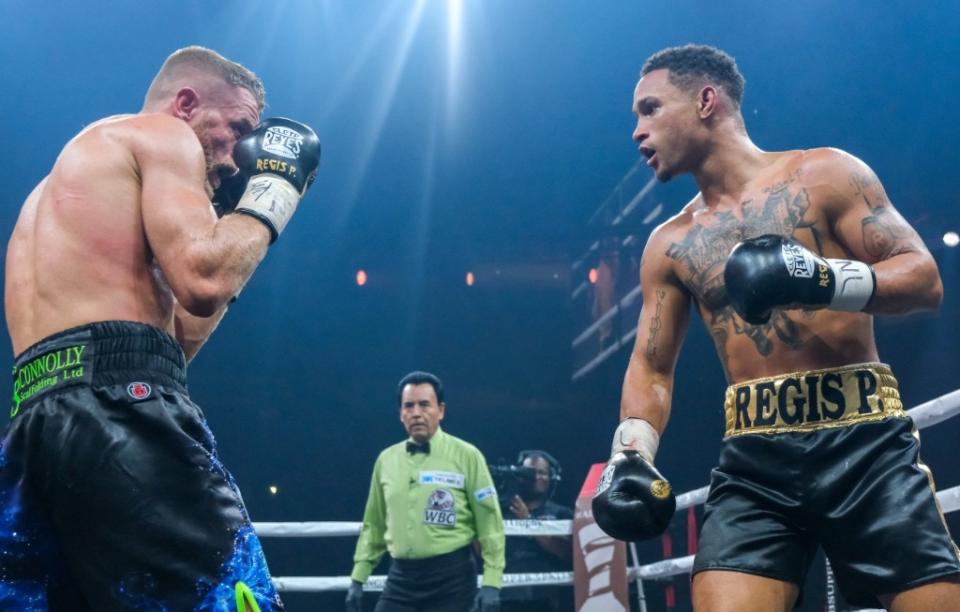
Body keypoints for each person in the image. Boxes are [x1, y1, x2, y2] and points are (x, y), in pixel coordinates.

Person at [591, 44, 960, 611]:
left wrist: (820, 280)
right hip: (755, 461)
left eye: (649, 108)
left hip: (867, 445)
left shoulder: (826, 174)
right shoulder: (668, 243)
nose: (637, 131)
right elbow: (651, 365)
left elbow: (923, 279)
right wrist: (630, 456)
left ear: (706, 101)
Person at [0, 46, 320, 610]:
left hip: (34, 429)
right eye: (238, 129)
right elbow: (204, 278)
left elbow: (180, 337)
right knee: (231, 598)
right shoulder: (163, 136)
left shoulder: (56, 193)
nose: (239, 155)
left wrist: (235, 227)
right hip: (122, 414)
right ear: (188, 104)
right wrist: (276, 189)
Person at [346, 371, 505, 612]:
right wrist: (358, 578)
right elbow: (374, 525)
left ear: (440, 410)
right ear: (401, 413)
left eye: (424, 404)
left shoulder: (467, 455)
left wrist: (492, 582)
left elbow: (490, 524)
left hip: (453, 580)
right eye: (409, 405)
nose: (416, 413)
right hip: (401, 578)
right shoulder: (386, 460)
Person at [502, 451, 573, 612]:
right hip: (507, 597)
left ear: (551, 478)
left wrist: (528, 522)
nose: (535, 477)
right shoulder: (503, 513)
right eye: (529, 472)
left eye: (541, 472)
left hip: (549, 598)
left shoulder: (562, 513)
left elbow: (566, 551)